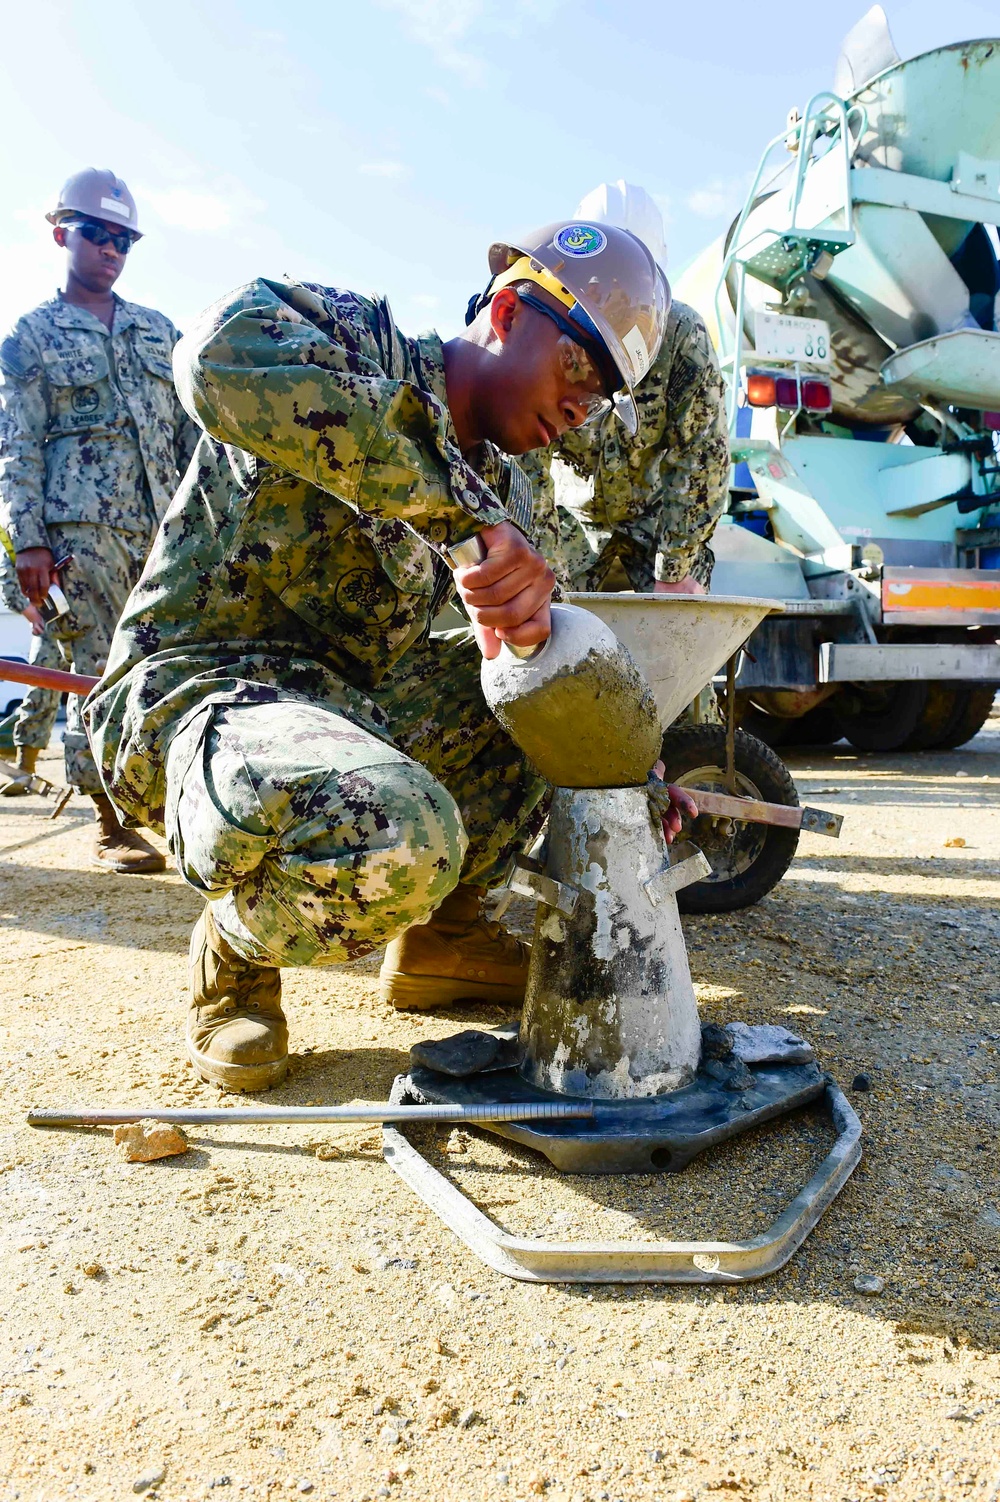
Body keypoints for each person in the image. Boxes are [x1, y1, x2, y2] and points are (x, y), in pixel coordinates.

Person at [84, 220, 683, 1094]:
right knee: (398, 834)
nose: (581, 409)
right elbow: (214, 353)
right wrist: (457, 517)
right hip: (199, 694)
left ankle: (446, 937)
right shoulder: (355, 343)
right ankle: (234, 948)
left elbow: (543, 661)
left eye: (604, 398)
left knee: (531, 699)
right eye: (581, 369)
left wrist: (637, 770)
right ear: (511, 312)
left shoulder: (512, 490)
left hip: (344, 711)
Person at [0, 169, 198, 870]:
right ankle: (110, 822)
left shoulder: (158, 330)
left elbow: (191, 433)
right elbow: (17, 444)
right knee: (96, 672)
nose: (111, 248)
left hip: (165, 531)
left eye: (123, 240)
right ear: (62, 234)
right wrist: (27, 540)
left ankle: (176, 806)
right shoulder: (30, 337)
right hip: (78, 537)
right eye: (97, 234)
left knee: (172, 668)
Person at [523, 181, 729, 601]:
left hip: (657, 530)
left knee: (676, 641)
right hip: (569, 526)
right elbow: (527, 461)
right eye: (598, 280)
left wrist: (675, 568)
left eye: (626, 280)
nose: (612, 294)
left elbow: (701, 456)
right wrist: (541, 568)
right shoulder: (549, 325)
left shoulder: (681, 337)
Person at [0, 539, 61, 793]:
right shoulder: (30, 525)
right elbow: (8, 570)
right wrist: (28, 610)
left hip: (94, 622)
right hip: (52, 622)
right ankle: (24, 769)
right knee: (40, 691)